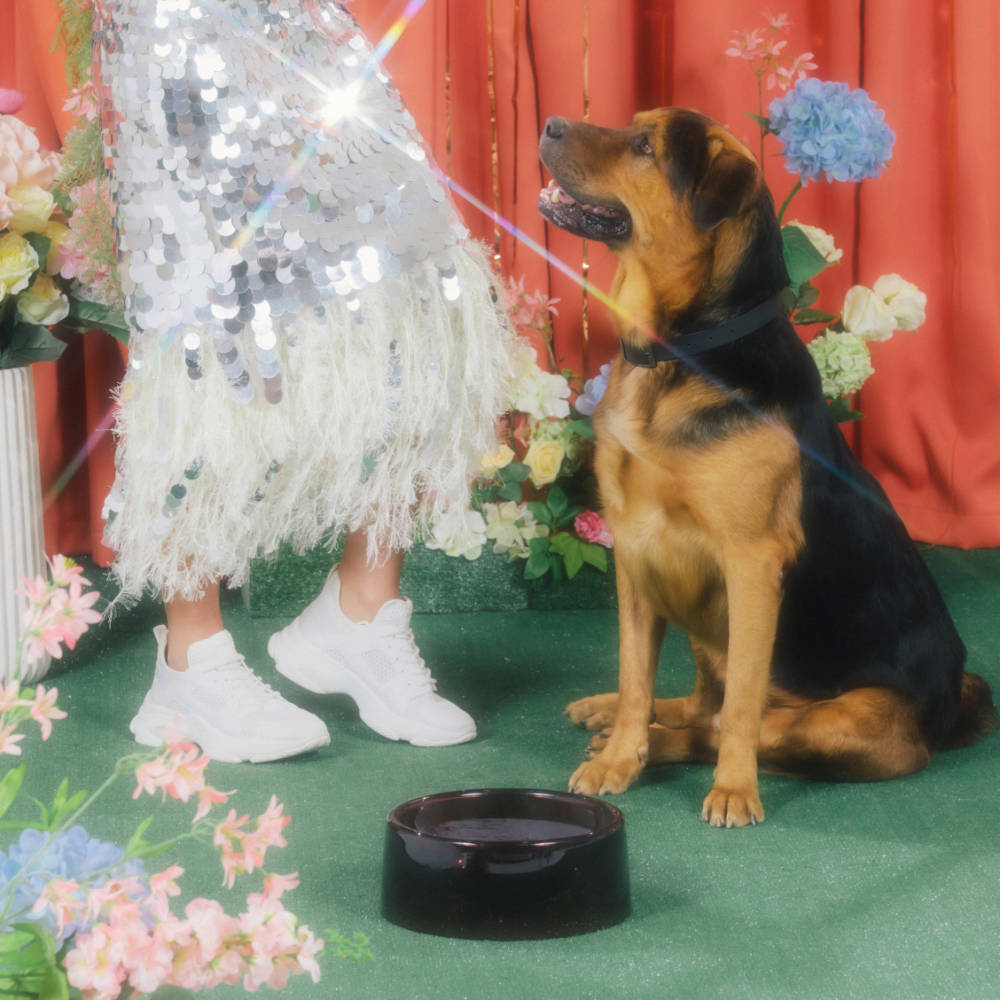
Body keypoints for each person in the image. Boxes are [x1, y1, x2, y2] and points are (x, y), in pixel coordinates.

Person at [92, 0, 514, 762]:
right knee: (199, 323)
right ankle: (192, 660)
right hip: (167, 25)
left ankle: (360, 611)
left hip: (293, 19)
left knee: (408, 281)